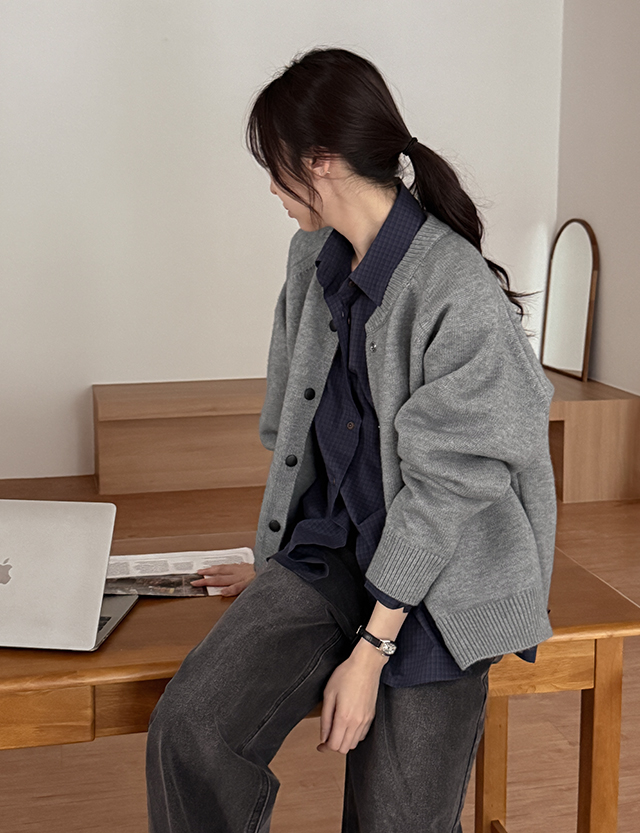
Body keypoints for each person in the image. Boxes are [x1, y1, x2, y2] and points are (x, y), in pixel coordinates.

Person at [146, 47, 557, 833]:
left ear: (320, 162)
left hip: (441, 585)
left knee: (394, 821)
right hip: (334, 552)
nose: (270, 188)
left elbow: (443, 498)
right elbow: (300, 431)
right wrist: (273, 559)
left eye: (274, 167)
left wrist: (370, 651)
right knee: (191, 729)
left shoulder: (455, 288)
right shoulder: (313, 256)